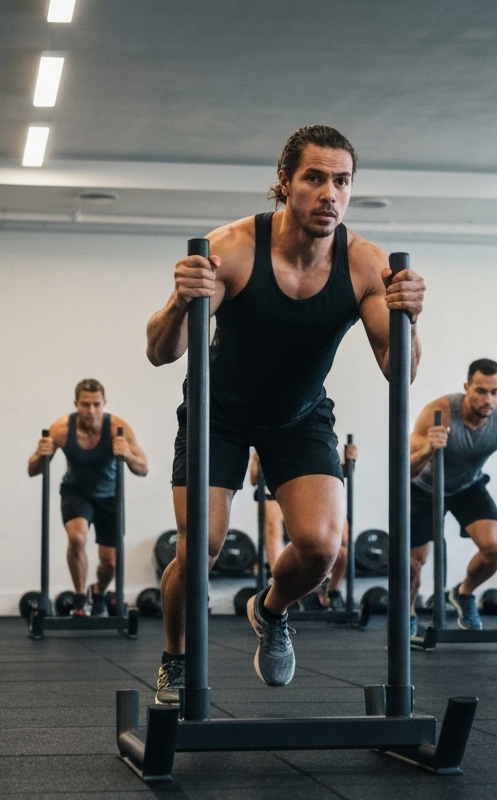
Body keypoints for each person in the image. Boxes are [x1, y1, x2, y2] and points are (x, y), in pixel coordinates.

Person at [145, 124, 425, 704]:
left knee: (323, 548)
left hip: (299, 416)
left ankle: (270, 611)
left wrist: (409, 319)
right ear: (285, 183)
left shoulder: (365, 265)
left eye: (341, 181)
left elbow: (400, 371)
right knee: (201, 548)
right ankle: (175, 657)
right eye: (315, 178)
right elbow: (160, 352)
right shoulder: (235, 248)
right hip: (216, 413)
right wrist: (179, 298)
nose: (330, 193)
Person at [408, 359, 497, 633]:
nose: (488, 399)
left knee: (495, 548)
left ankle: (464, 593)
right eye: (480, 391)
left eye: (495, 392)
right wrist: (427, 451)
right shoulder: (440, 411)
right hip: (425, 488)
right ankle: (407, 614)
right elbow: (404, 469)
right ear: (467, 387)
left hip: (468, 486)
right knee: (414, 564)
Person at [27, 379, 148, 615]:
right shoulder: (62, 429)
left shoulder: (117, 428)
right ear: (76, 404)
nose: (91, 411)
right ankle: (81, 598)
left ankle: (98, 592)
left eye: (96, 404)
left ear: (104, 404)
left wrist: (128, 455)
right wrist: (40, 455)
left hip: (110, 496)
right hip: (76, 492)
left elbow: (143, 468)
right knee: (77, 539)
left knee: (109, 562)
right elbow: (33, 469)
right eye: (85, 405)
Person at [249, 445, 357, 610]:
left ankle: (332, 591)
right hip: (274, 496)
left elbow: (340, 473)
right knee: (272, 526)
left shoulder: (318, 442)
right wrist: (257, 458)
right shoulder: (267, 442)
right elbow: (254, 479)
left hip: (308, 497)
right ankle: (280, 586)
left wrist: (351, 462)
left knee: (344, 543)